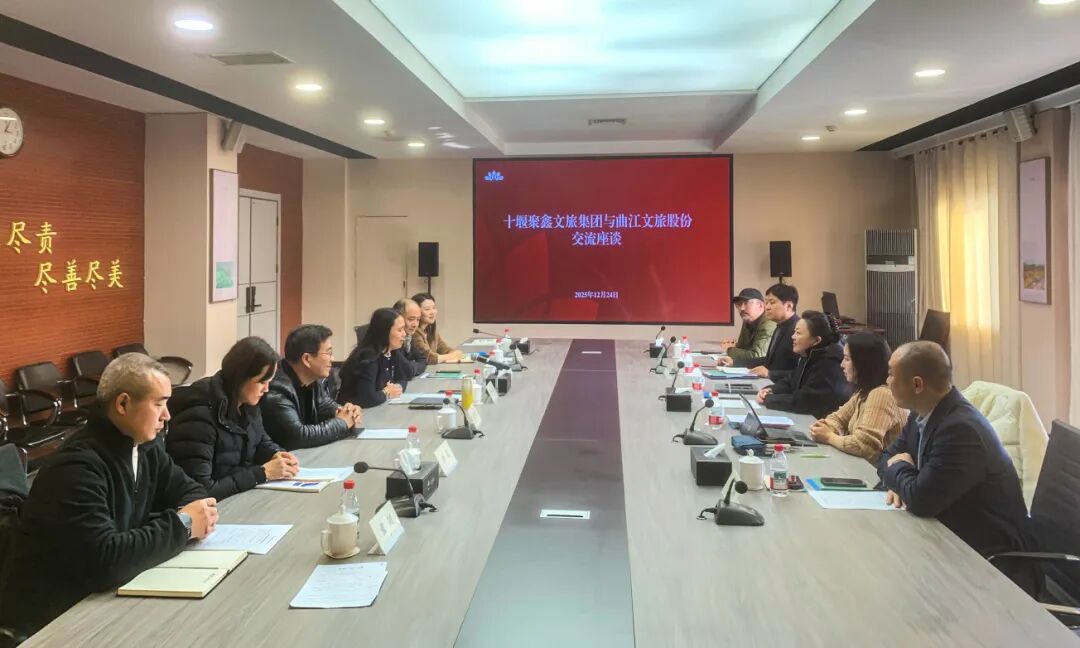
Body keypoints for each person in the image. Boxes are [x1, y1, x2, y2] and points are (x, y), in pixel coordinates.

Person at [0, 354, 218, 638]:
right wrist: (182, 525)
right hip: (47, 621)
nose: (167, 415)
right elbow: (106, 561)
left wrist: (178, 522)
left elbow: (193, 493)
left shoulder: (145, 448)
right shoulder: (76, 467)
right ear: (123, 404)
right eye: (159, 404)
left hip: (98, 599)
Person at [879, 341, 1032, 558]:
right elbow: (885, 457)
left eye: (891, 374)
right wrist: (902, 484)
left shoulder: (960, 430)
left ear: (917, 385)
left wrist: (900, 471)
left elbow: (921, 501)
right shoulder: (920, 412)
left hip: (985, 556)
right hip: (944, 533)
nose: (887, 381)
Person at [167, 337, 301, 501]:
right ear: (241, 377)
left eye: (269, 382)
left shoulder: (247, 403)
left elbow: (260, 440)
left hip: (238, 497)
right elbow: (199, 490)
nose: (266, 389)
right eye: (261, 382)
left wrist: (276, 454)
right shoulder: (198, 416)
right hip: (211, 507)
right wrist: (261, 473)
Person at [808, 332, 907, 463]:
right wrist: (826, 428)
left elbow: (863, 446)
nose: (842, 364)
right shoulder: (863, 392)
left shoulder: (881, 394)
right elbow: (837, 418)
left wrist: (829, 437)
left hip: (875, 473)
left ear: (863, 363)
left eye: (847, 359)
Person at [260, 325, 362, 450]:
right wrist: (342, 423)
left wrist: (346, 412)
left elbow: (325, 405)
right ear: (307, 359)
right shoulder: (276, 389)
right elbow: (298, 437)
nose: (332, 359)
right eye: (328, 353)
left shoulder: (311, 379)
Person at [757, 310, 849, 418]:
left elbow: (805, 401)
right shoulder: (809, 353)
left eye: (798, 333)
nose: (793, 337)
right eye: (794, 332)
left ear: (816, 340)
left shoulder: (829, 363)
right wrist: (772, 389)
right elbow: (791, 380)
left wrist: (768, 399)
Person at [723, 283, 799, 380]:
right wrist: (734, 362)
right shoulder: (779, 327)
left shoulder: (798, 330)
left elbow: (803, 372)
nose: (767, 307)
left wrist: (770, 374)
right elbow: (768, 360)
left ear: (788, 306)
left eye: (772, 303)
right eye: (766, 303)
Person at [338, 308, 412, 408]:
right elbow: (367, 398)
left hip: (378, 408)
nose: (404, 334)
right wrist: (386, 392)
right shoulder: (369, 357)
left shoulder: (392, 351)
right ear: (385, 332)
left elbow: (404, 376)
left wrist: (396, 388)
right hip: (356, 412)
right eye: (399, 330)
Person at [719, 288, 776, 364]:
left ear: (761, 305)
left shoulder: (769, 323)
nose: (742, 308)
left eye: (746, 303)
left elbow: (756, 356)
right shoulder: (748, 319)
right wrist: (733, 347)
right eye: (739, 304)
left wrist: (729, 349)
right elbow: (741, 347)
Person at [411, 292, 464, 364]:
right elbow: (428, 358)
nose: (432, 312)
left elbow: (444, 349)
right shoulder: (414, 332)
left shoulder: (430, 330)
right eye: (427, 309)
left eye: (434, 308)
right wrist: (453, 355)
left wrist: (454, 353)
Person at [393, 298, 429, 377]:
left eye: (418, 320)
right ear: (398, 317)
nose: (415, 325)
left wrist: (411, 367)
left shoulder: (408, 336)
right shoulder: (392, 339)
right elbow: (405, 369)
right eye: (411, 319)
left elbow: (423, 360)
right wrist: (412, 366)